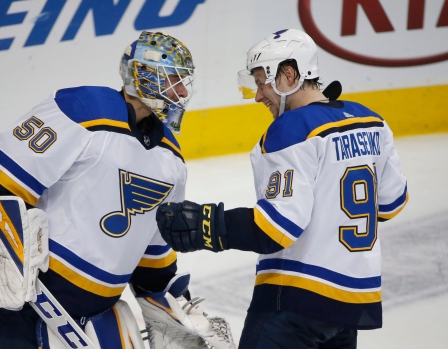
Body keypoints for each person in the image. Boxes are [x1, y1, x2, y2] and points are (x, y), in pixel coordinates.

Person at [0, 31, 233, 349]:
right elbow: (2, 175)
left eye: (184, 82)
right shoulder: (82, 109)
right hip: (25, 306)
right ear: (143, 76)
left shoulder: (171, 158)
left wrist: (172, 299)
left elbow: (154, 250)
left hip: (97, 314)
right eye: (173, 79)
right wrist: (8, 259)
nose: (182, 91)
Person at [155, 28, 409, 349]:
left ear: (289, 75)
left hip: (295, 304)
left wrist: (206, 224)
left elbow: (275, 230)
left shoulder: (291, 130)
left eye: (262, 83)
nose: (259, 95)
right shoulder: (372, 121)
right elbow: (390, 205)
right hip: (351, 308)